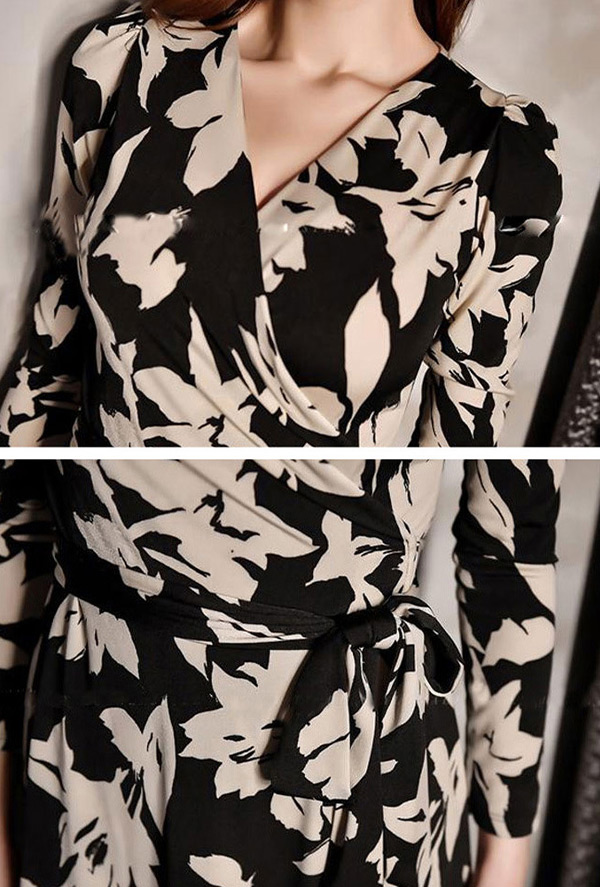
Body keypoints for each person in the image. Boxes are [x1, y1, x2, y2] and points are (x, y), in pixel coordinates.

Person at [0, 0, 562, 448]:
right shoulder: (127, 58)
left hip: (331, 556)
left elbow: (480, 446)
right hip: (81, 559)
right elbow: (52, 351)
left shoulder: (497, 156)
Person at [0, 457, 563, 886]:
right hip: (99, 736)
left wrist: (506, 845)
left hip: (351, 764)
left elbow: (511, 534)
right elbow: (24, 458)